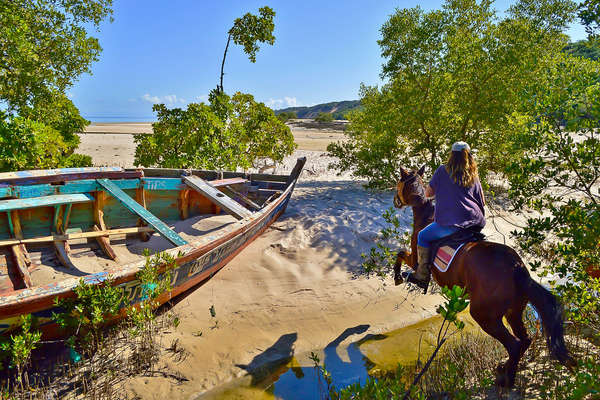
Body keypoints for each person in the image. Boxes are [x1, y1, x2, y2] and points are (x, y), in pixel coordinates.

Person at [404, 141, 486, 292]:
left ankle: (421, 276)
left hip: (452, 224)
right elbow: (482, 200)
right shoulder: (473, 174)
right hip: (475, 222)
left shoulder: (442, 170)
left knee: (422, 236)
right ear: (468, 156)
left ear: (452, 155)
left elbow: (428, 194)